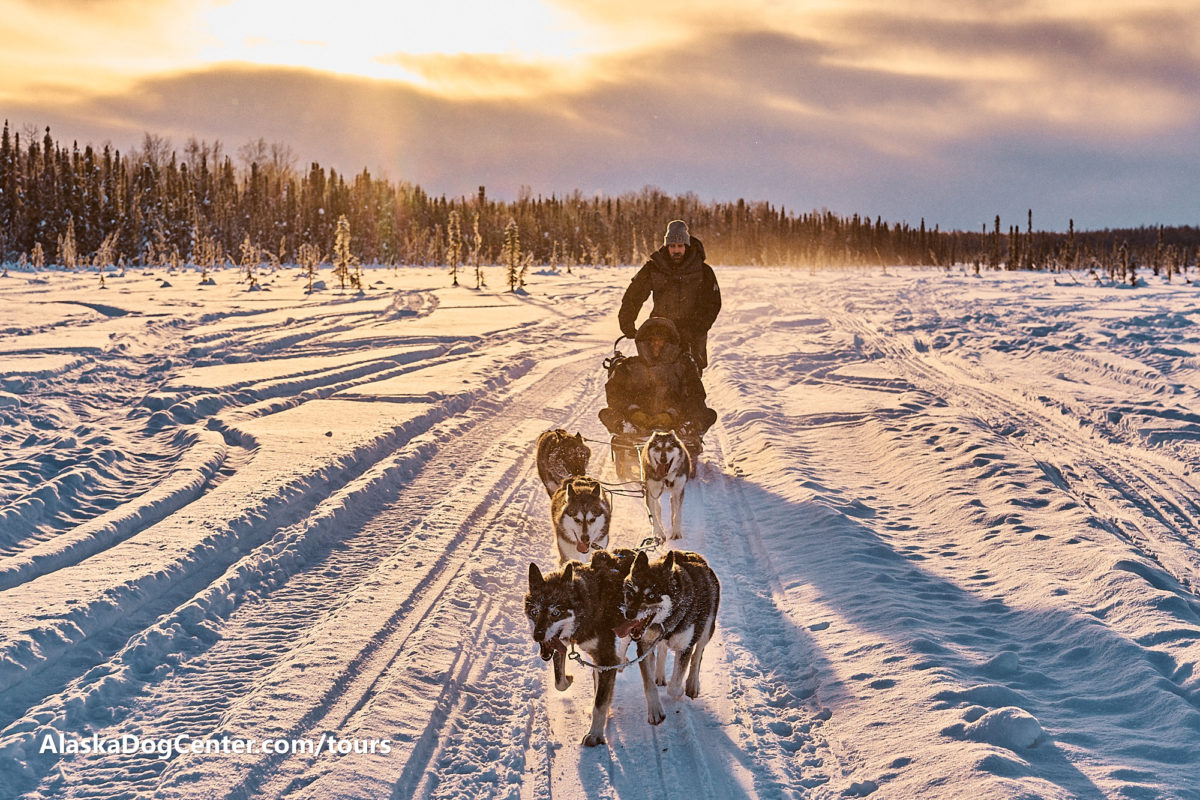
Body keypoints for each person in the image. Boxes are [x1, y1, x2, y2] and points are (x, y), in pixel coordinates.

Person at [618, 219, 721, 370]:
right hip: (660, 333)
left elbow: (712, 304)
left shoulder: (703, 271)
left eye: (680, 246)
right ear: (667, 246)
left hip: (692, 335)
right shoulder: (654, 267)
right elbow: (634, 295)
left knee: (690, 378)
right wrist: (627, 322)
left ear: (686, 245)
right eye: (672, 246)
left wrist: (695, 329)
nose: (676, 250)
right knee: (656, 377)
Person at [598, 317, 716, 436]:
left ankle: (685, 430)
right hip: (636, 422)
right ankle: (627, 429)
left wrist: (672, 414)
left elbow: (696, 397)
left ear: (669, 342)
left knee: (707, 414)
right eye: (651, 340)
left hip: (675, 423)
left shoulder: (683, 366)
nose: (655, 343)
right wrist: (633, 411)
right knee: (606, 414)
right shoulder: (628, 366)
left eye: (661, 340)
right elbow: (615, 394)